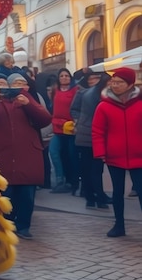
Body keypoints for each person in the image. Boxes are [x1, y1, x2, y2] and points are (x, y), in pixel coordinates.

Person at [0, 72, 52, 239]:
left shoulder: (27, 100)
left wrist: (28, 104)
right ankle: (5, 225)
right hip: (1, 156)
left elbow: (45, 119)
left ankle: (23, 226)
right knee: (4, 194)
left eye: (3, 84)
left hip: (27, 156)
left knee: (27, 195)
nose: (1, 87)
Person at [92, 67, 142, 238]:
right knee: (117, 193)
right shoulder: (104, 106)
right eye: (113, 82)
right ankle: (119, 224)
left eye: (120, 82)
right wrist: (100, 152)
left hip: (139, 157)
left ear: (130, 84)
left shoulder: (140, 103)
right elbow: (97, 131)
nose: (115, 85)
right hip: (114, 156)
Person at [70, 70, 111, 209]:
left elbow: (74, 110)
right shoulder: (97, 95)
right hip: (91, 135)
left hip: (84, 134)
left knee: (88, 168)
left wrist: (79, 121)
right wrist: (79, 120)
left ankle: (91, 197)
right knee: (95, 168)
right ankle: (98, 197)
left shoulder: (86, 92)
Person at [49, 68, 79, 194]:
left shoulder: (76, 90)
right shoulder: (54, 90)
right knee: (54, 152)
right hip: (57, 127)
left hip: (71, 128)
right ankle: (60, 180)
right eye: (62, 75)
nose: (64, 78)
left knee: (72, 156)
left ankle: (73, 182)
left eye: (67, 75)